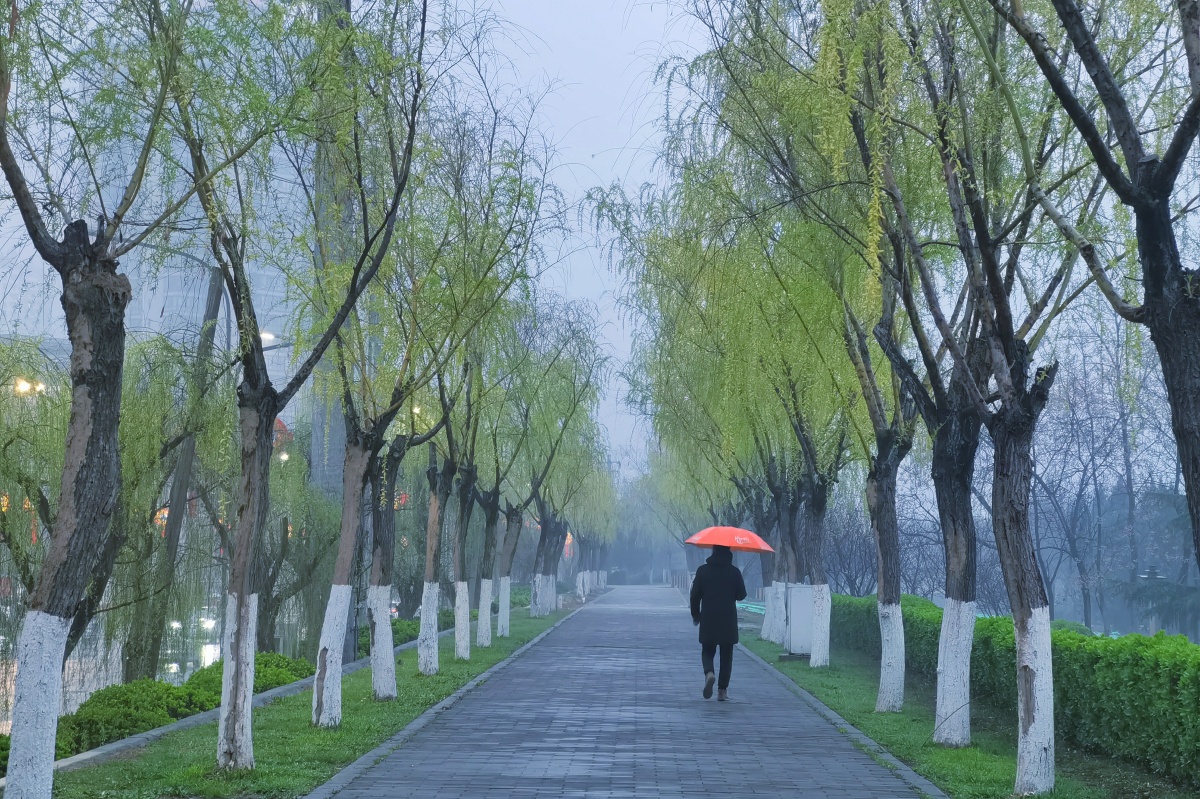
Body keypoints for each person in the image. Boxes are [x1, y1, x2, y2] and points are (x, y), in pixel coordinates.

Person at [689, 544, 747, 701]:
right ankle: (722, 691)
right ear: (729, 552)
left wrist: (696, 615)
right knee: (726, 656)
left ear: (713, 551)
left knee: (707, 650)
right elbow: (742, 594)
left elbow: (694, 596)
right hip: (728, 620)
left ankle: (709, 673)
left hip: (708, 618)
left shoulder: (703, 571)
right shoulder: (734, 572)